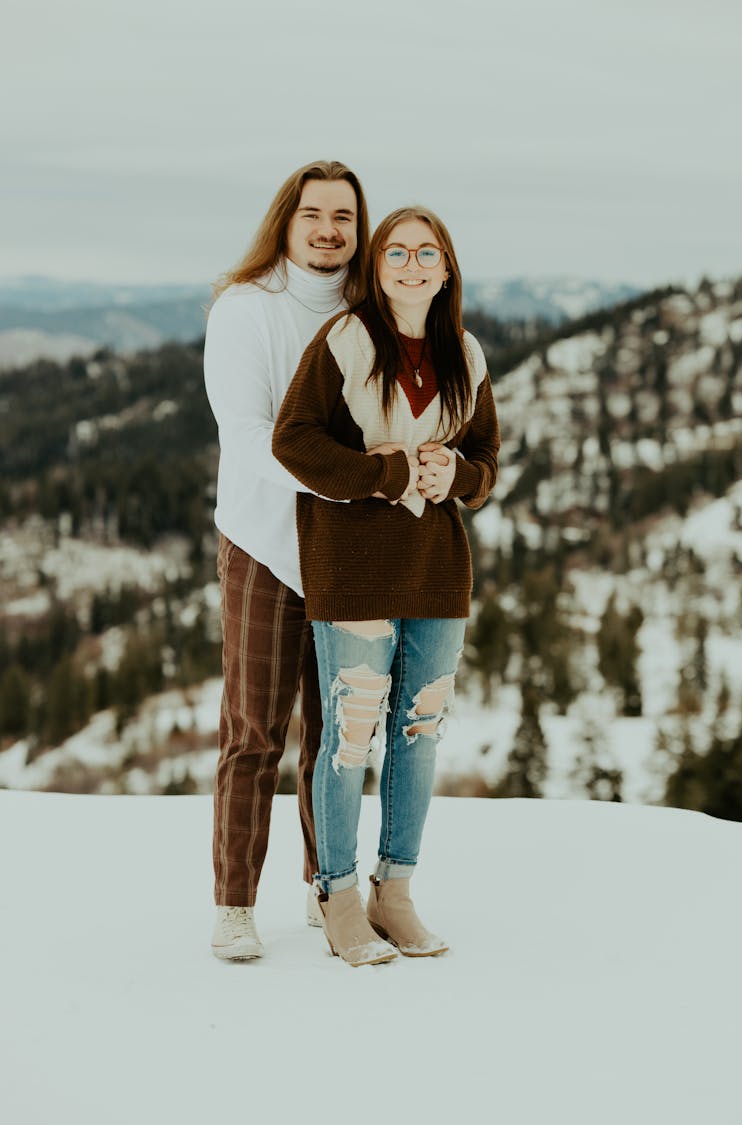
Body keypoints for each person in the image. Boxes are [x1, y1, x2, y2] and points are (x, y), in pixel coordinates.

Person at [272, 206, 500, 966]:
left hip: (436, 567)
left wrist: (457, 474)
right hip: (354, 565)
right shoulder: (343, 341)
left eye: (425, 252)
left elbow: (486, 460)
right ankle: (336, 896)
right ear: (377, 267)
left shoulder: (464, 352)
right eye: (395, 252)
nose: (410, 264)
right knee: (350, 732)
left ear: (445, 267)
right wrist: (387, 471)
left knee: (420, 728)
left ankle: (393, 892)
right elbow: (293, 440)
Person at [203, 160, 370, 960]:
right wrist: (346, 482)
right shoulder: (247, 309)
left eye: (344, 215)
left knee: (338, 731)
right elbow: (245, 431)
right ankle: (235, 903)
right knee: (253, 732)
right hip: (265, 544)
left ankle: (326, 882)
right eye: (314, 214)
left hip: (347, 554)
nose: (329, 228)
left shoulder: (368, 312)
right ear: (288, 220)